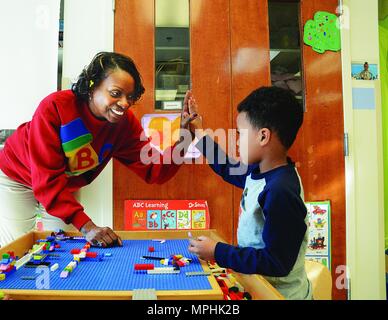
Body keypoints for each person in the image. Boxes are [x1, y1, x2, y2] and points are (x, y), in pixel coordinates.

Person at [0, 52, 195, 248]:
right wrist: (87, 226)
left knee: (60, 249)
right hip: (17, 177)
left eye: (130, 97)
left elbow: (154, 170)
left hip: (62, 185)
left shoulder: (124, 125)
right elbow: (46, 181)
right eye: (116, 93)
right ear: (92, 86)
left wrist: (183, 141)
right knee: (17, 250)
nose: (125, 103)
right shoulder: (55, 107)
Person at [187, 86, 312, 299]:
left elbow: (277, 262)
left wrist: (217, 251)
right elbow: (226, 166)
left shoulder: (280, 191)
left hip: (279, 295)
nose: (236, 141)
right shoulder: (260, 172)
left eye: (240, 134)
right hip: (258, 286)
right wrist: (198, 132)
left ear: (263, 136)